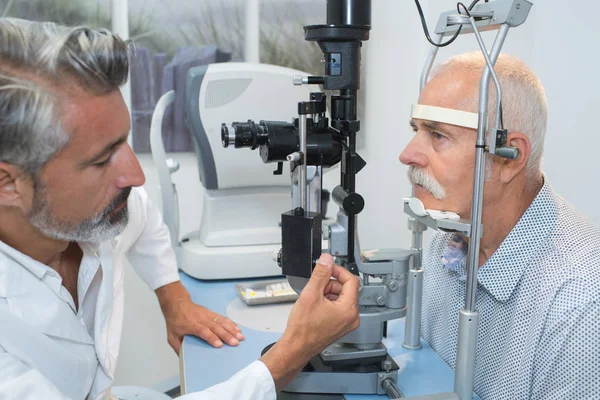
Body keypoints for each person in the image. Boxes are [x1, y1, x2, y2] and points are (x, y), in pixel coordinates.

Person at [0, 18, 360, 399]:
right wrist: (294, 351)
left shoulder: (93, 210)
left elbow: (144, 222)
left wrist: (174, 299)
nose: (136, 176)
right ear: (8, 183)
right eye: (102, 160)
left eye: (123, 142)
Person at [400, 51, 600, 399]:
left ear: (510, 158)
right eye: (416, 130)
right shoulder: (447, 243)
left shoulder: (580, 300)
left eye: (437, 135)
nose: (407, 153)